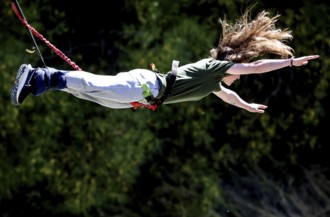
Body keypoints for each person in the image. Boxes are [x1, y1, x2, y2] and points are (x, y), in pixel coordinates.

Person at [10, 8, 319, 113]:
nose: (237, 78)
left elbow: (230, 96)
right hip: (146, 84)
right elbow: (253, 69)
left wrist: (248, 106)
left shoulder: (212, 85)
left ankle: (42, 83)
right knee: (94, 84)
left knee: (89, 93)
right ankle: (41, 76)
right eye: (237, 73)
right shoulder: (216, 68)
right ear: (231, 64)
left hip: (145, 97)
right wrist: (290, 63)